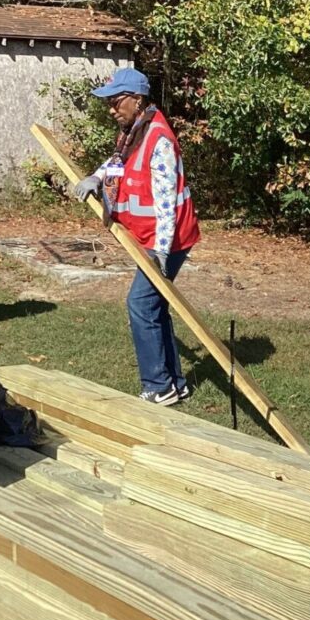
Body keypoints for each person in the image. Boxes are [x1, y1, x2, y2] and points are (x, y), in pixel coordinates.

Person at [73, 67, 201, 405]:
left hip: (168, 240)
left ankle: (158, 387)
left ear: (137, 99)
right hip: (147, 237)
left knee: (141, 304)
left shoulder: (158, 141)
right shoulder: (133, 131)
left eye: (116, 102)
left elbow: (165, 205)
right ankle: (175, 382)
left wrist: (159, 252)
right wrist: (96, 178)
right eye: (109, 104)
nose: (112, 110)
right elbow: (118, 162)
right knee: (154, 306)